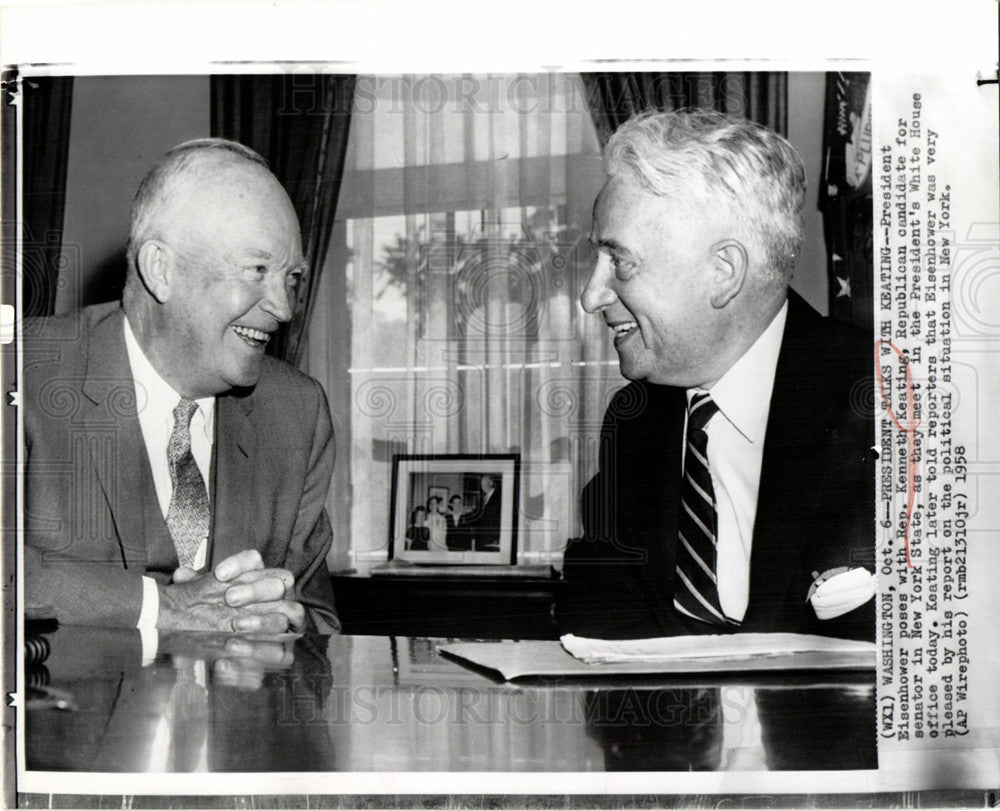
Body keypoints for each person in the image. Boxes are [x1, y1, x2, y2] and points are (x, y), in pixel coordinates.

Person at [558, 110, 875, 642]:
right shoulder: (633, 422)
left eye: (622, 263)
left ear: (723, 272)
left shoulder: (891, 399)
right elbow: (596, 622)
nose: (591, 296)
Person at [24, 138, 339, 634]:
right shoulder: (20, 373)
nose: (283, 308)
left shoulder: (297, 414)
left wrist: (288, 626)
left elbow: (319, 620)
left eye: (291, 277)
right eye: (257, 270)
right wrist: (163, 608)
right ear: (161, 270)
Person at [465, 474, 503, 552]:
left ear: (491, 483)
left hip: (492, 539)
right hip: (481, 538)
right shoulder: (483, 498)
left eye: (484, 483)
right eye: (481, 483)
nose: (482, 486)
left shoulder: (499, 497)